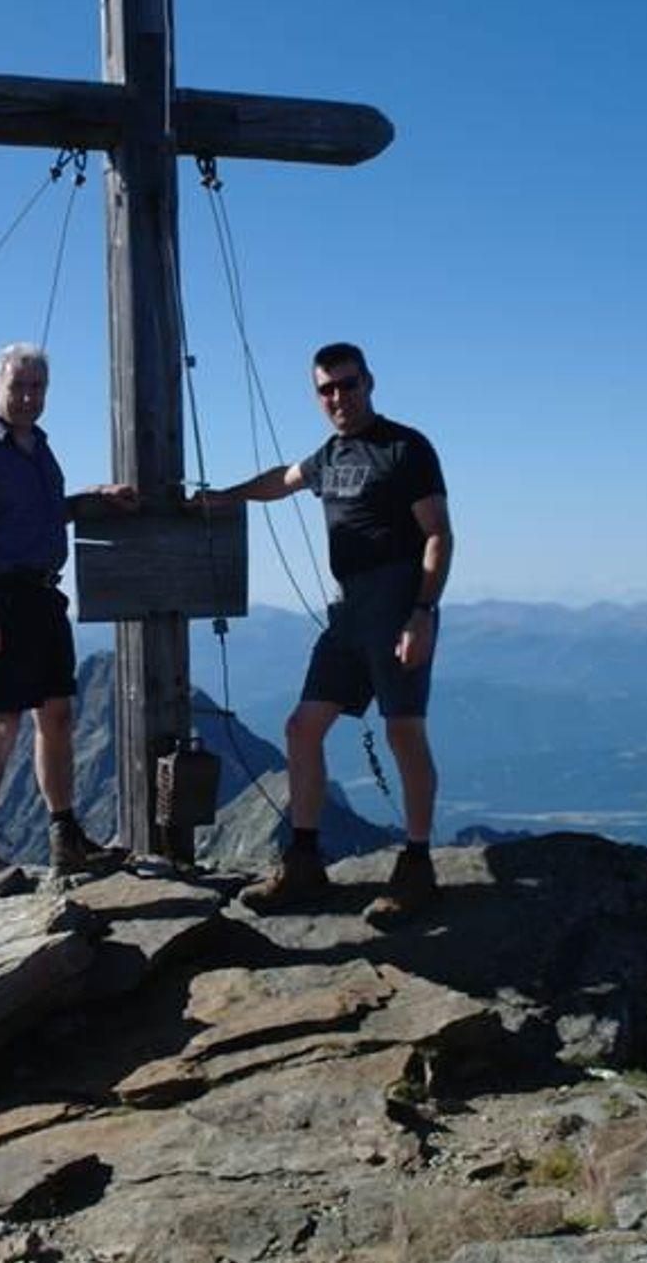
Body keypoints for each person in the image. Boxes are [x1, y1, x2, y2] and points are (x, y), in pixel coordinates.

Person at [196, 342, 453, 924]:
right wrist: (228, 497)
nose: (338, 397)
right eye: (326, 389)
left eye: (348, 384)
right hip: (348, 612)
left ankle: (418, 866)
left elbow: (438, 534)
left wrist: (421, 613)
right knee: (301, 727)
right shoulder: (330, 455)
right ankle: (305, 860)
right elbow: (283, 480)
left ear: (369, 382)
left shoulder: (405, 448)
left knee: (404, 731)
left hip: (397, 603)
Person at [0, 342, 140, 894]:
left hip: (45, 597)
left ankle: (64, 837)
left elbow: (49, 515)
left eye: (37, 388)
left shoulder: (40, 449)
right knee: (2, 720)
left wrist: (96, 497)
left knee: (56, 714)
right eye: (18, 387)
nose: (28, 397)